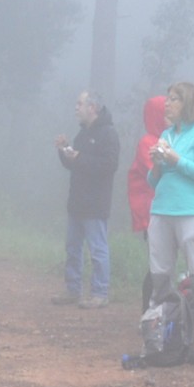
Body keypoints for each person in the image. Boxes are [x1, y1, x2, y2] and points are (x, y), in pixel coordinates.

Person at [145, 79, 194, 362]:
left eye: (174, 99)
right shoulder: (167, 134)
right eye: (167, 98)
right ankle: (159, 339)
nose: (167, 103)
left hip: (191, 213)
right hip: (162, 211)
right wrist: (157, 163)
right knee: (160, 278)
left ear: (188, 103)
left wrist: (176, 159)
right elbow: (153, 181)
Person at [53, 90, 119, 307]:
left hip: (95, 204)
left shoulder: (108, 133)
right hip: (77, 202)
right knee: (72, 248)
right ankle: (73, 289)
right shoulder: (82, 134)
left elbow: (109, 165)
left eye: (79, 104)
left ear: (92, 107)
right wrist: (64, 150)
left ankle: (100, 293)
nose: (76, 108)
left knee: (97, 250)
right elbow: (74, 164)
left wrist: (80, 157)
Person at [127, 94, 168, 310]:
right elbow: (156, 173)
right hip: (151, 212)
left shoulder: (166, 140)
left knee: (163, 264)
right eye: (166, 112)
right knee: (157, 265)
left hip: (164, 210)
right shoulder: (148, 142)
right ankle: (149, 312)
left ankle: (159, 310)